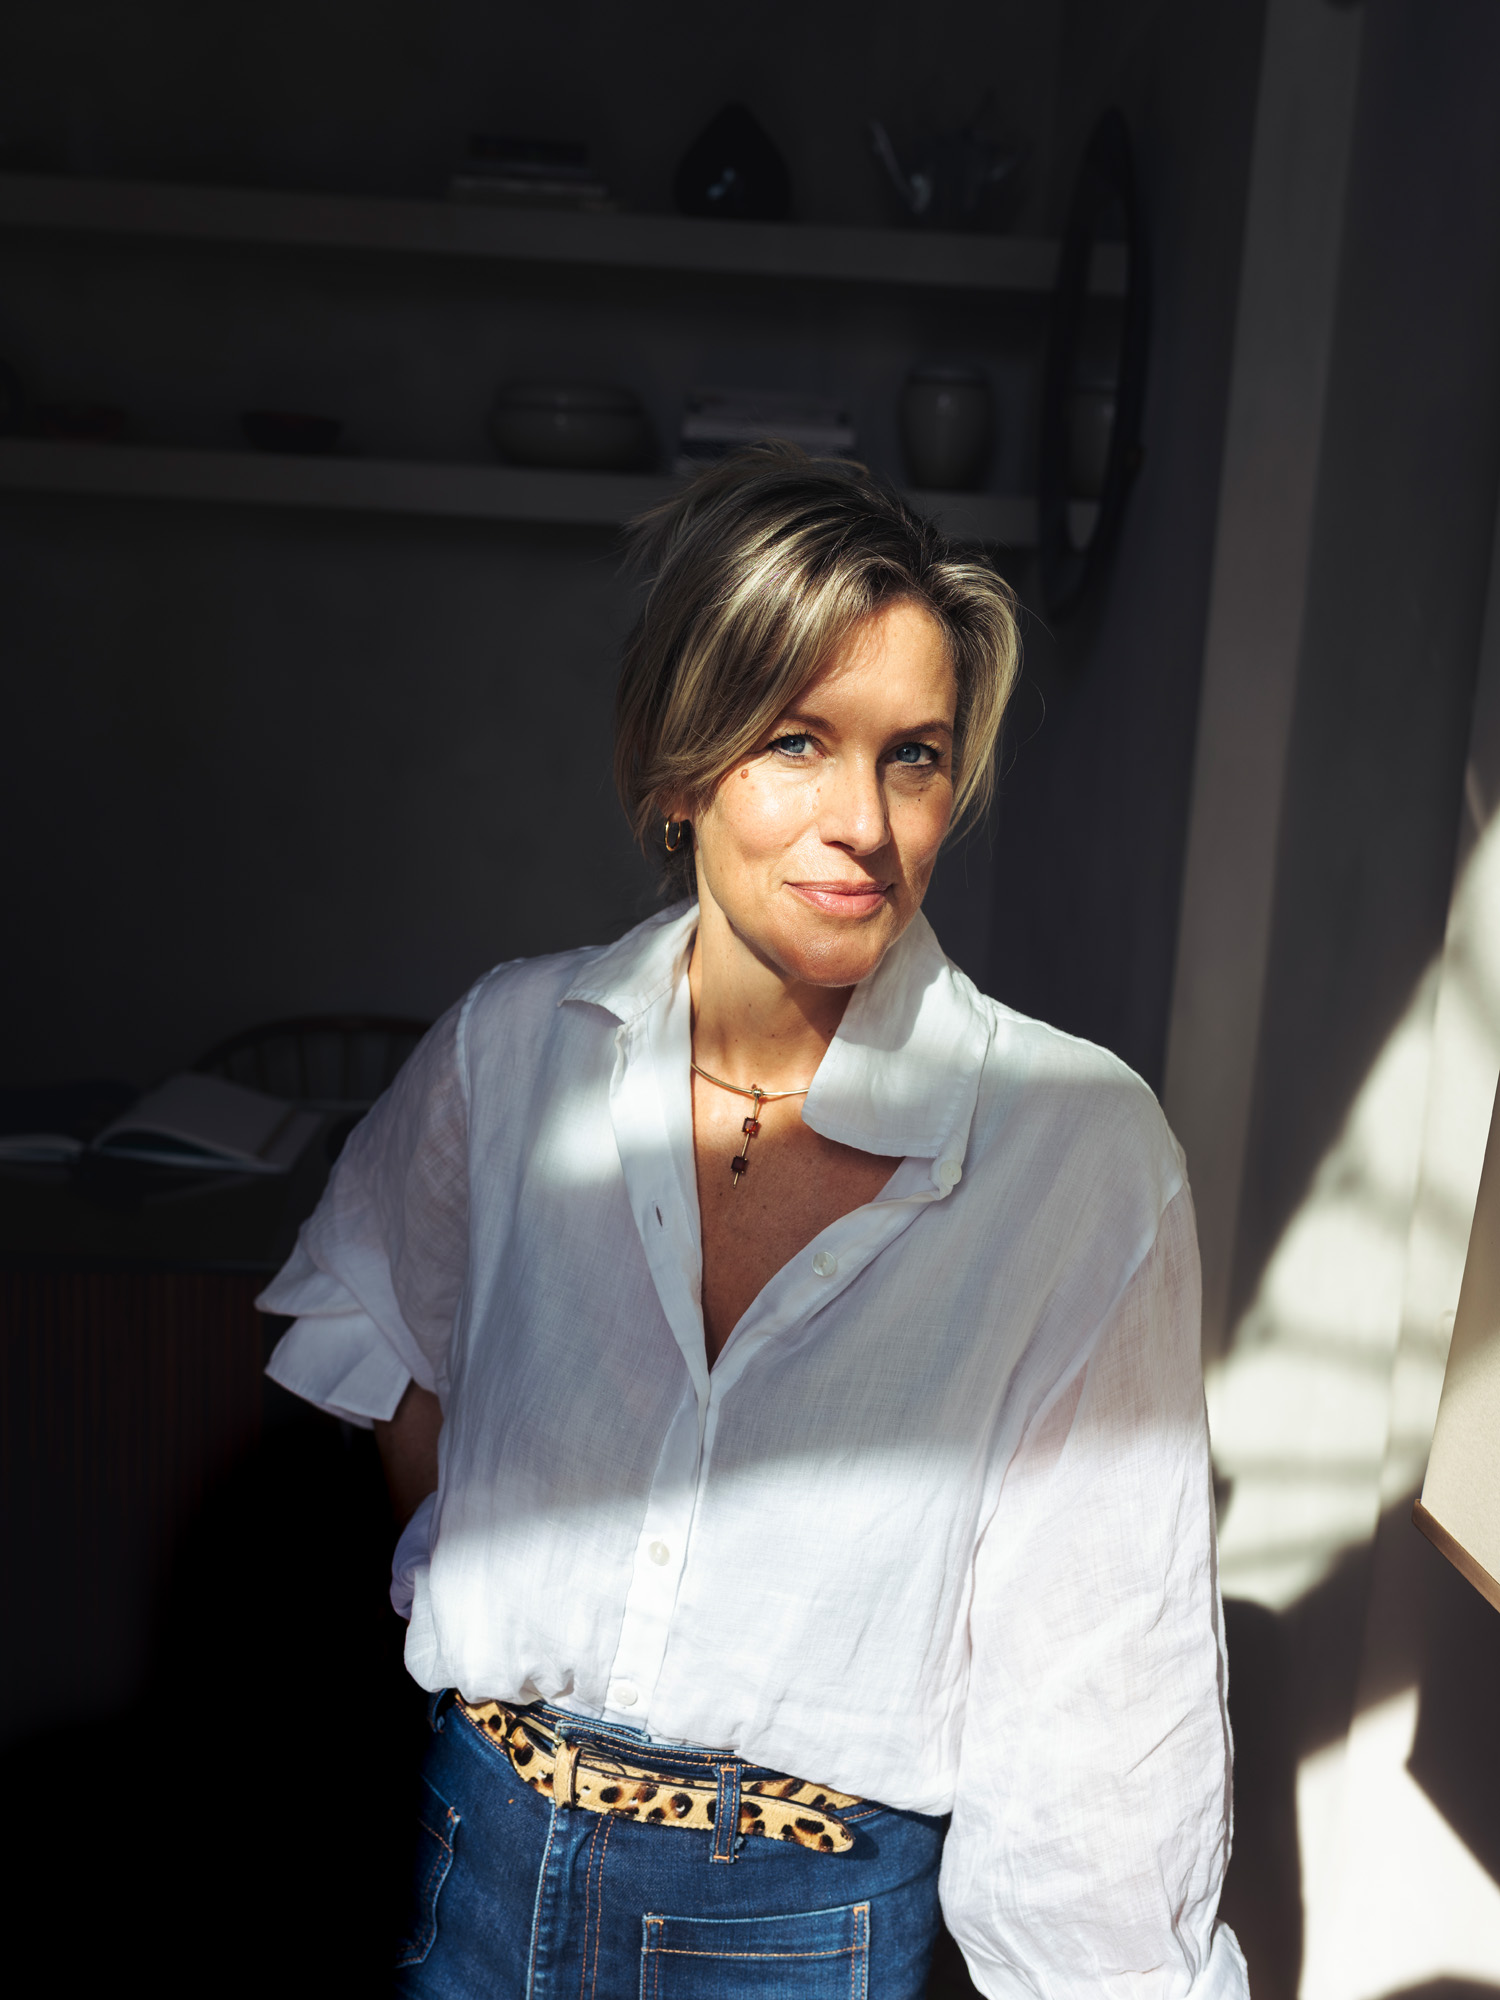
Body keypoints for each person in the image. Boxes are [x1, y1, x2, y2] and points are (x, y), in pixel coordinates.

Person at [260, 446, 1248, 1998]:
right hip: (473, 1862)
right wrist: (517, 1602)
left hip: (798, 1932)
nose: (864, 819)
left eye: (913, 756)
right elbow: (383, 1334)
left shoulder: (1077, 1149)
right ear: (679, 770)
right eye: (799, 740)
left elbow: (1104, 1685)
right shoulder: (514, 1052)